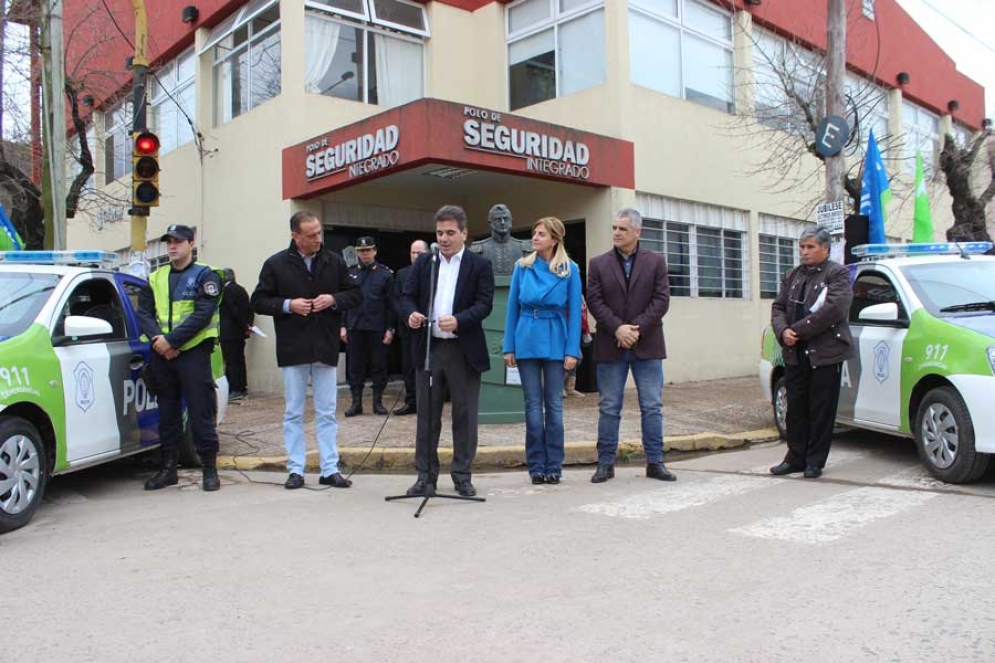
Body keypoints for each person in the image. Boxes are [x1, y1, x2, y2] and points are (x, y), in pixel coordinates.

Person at [251, 211, 362, 490]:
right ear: (295, 236)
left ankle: (329, 468)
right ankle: (296, 469)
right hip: (293, 346)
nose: (317, 239)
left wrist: (333, 299)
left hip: (324, 345)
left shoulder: (333, 261)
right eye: (311, 235)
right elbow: (259, 301)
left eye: (319, 232)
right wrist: (289, 305)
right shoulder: (275, 264)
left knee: (327, 410)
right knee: (293, 411)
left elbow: (356, 294)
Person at [400, 205, 495, 497]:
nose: (444, 238)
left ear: (464, 233)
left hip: (462, 350)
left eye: (450, 232)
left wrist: (459, 320)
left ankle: (462, 475)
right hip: (430, 348)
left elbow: (484, 304)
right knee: (427, 416)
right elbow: (406, 296)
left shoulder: (479, 265)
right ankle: (425, 476)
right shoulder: (426, 263)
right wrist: (412, 314)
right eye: (440, 232)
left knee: (464, 416)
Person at [587, 208, 676, 484]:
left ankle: (655, 462)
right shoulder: (598, 264)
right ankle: (605, 463)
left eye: (622, 229)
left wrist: (636, 328)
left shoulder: (656, 262)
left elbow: (661, 300)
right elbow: (594, 300)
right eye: (614, 228)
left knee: (651, 406)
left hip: (646, 344)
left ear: (637, 232)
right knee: (609, 406)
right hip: (611, 344)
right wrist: (618, 328)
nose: (616, 233)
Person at [137, 224, 224, 492]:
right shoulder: (156, 277)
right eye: (169, 243)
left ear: (191, 243)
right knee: (167, 414)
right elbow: (144, 313)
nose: (172, 247)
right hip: (162, 355)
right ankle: (168, 470)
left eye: (178, 242)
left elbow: (203, 314)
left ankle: (209, 470)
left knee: (201, 412)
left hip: (193, 354)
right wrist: (160, 343)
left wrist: (172, 341)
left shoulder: (206, 275)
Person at [502, 217, 582, 485]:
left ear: (554, 239)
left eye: (541, 234)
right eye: (534, 233)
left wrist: (573, 350)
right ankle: (536, 465)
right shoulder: (522, 267)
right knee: (532, 406)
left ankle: (554, 466)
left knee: (555, 406)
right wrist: (508, 346)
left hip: (556, 338)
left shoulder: (570, 270)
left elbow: (574, 315)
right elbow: (512, 307)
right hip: (526, 337)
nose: (534, 238)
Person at [770, 227, 853, 479]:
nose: (804, 252)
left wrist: (797, 330)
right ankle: (795, 457)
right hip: (795, 351)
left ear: (825, 248)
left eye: (810, 247)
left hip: (825, 352)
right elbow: (778, 307)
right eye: (802, 247)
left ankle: (814, 461)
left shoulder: (837, 274)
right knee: (796, 408)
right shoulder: (792, 275)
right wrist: (783, 331)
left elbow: (833, 309)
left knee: (821, 409)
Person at [341, 236, 395, 417]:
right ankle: (356, 403)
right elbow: (344, 302)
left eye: (368, 250)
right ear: (357, 252)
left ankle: (377, 402)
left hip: (377, 328)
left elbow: (391, 304)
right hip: (355, 327)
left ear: (375, 251)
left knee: (379, 366)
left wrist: (390, 328)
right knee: (355, 367)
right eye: (361, 251)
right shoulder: (349, 274)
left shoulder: (385, 274)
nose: (365, 254)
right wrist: (342, 326)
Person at [392, 239, 430, 416]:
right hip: (408, 330)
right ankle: (411, 401)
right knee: (408, 365)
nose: (415, 256)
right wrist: (409, 317)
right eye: (413, 253)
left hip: (429, 330)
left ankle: (430, 400)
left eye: (419, 253)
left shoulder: (434, 273)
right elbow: (398, 300)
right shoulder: (401, 274)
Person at [219, 267, 253, 401]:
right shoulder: (241, 289)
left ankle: (234, 389)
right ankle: (242, 388)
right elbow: (249, 310)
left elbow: (234, 311)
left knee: (231, 361)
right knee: (239, 360)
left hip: (229, 332)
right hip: (239, 332)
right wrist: (247, 325)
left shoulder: (227, 291)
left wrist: (243, 325)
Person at [469, 203, 531, 275]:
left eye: (505, 219)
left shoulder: (524, 248)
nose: (502, 222)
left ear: (511, 221)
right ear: (490, 223)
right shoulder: (478, 250)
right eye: (498, 220)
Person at [563, 297, 592, 398]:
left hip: (577, 329)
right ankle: (558, 386)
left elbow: (583, 314)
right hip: (565, 328)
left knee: (575, 358)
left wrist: (586, 330)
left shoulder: (580, 296)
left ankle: (569, 388)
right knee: (577, 356)